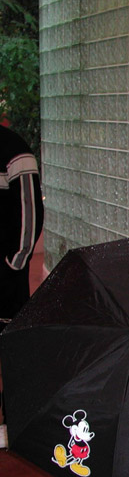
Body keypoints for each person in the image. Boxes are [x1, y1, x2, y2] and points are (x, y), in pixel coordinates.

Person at [0, 124, 44, 449]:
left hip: (3, 279)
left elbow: (30, 210)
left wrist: (14, 262)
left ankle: (12, 425)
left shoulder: (13, 148)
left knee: (10, 353)